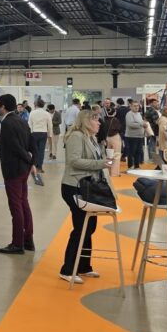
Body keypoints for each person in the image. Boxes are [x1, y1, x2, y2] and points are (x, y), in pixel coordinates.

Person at [59, 109, 113, 284]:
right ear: (86, 121)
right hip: (74, 186)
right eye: (95, 120)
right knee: (81, 228)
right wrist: (100, 163)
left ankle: (83, 266)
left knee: (89, 227)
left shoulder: (91, 138)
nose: (99, 123)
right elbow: (74, 161)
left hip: (87, 187)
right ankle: (67, 269)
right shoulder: (76, 136)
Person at [0, 94, 35, 254]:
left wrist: (27, 158)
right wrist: (31, 162)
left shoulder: (7, 123)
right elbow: (31, 142)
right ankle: (28, 240)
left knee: (16, 206)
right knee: (23, 203)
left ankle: (18, 243)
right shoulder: (21, 120)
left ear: (3, 106)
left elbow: (14, 146)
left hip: (13, 170)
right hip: (23, 169)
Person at [29, 99, 52, 185]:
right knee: (41, 151)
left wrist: (30, 133)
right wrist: (50, 134)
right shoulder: (47, 113)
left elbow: (29, 124)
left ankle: (34, 166)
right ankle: (40, 167)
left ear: (36, 104)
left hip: (34, 133)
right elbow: (50, 125)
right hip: (43, 133)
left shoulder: (32, 113)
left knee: (34, 151)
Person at [124, 101, 146, 169]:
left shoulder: (139, 114)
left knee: (138, 152)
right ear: (130, 107)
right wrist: (141, 124)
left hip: (140, 136)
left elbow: (140, 123)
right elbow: (130, 124)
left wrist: (144, 124)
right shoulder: (129, 114)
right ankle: (130, 166)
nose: (136, 107)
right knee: (131, 152)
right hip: (131, 137)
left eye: (137, 106)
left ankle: (137, 166)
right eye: (135, 106)